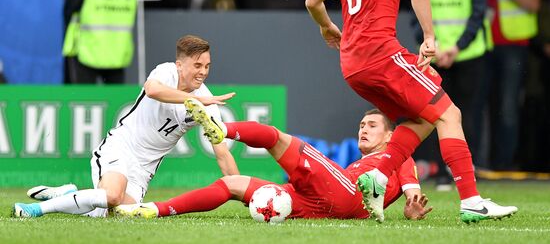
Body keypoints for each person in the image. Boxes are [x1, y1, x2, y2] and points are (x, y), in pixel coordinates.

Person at [303, 0, 517, 223]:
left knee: (423, 117)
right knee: (450, 114)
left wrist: (327, 28)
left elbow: (312, 2)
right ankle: (471, 200)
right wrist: (429, 36)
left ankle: (379, 175)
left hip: (352, 65)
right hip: (382, 56)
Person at [13, 35, 238, 218]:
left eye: (207, 66)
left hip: (144, 169)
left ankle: (70, 194)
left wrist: (244, 190)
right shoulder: (166, 72)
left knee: (115, 214)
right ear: (180, 65)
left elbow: (221, 153)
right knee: (111, 196)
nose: (203, 72)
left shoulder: (207, 101)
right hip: (121, 147)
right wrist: (196, 101)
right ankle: (35, 210)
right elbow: (153, 91)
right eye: (197, 65)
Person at [113, 108, 433, 221]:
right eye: (362, 124)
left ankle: (223, 129)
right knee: (232, 185)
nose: (363, 128)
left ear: (390, 134)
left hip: (346, 193)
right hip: (324, 204)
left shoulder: (398, 152)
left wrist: (412, 201)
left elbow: (409, 181)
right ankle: (154, 209)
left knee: (277, 138)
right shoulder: (366, 161)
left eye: (372, 125)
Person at [419, 0, 492, 189]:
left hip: (434, 56)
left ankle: (441, 175)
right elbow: (477, 15)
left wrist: (432, 45)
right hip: (469, 54)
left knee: (439, 116)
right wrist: (457, 47)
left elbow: (417, 18)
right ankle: (465, 175)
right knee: (468, 114)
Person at [476, 0, 541, 170]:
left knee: (508, 106)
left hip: (514, 45)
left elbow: (533, 4)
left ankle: (504, 166)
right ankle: (479, 164)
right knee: (478, 105)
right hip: (483, 43)